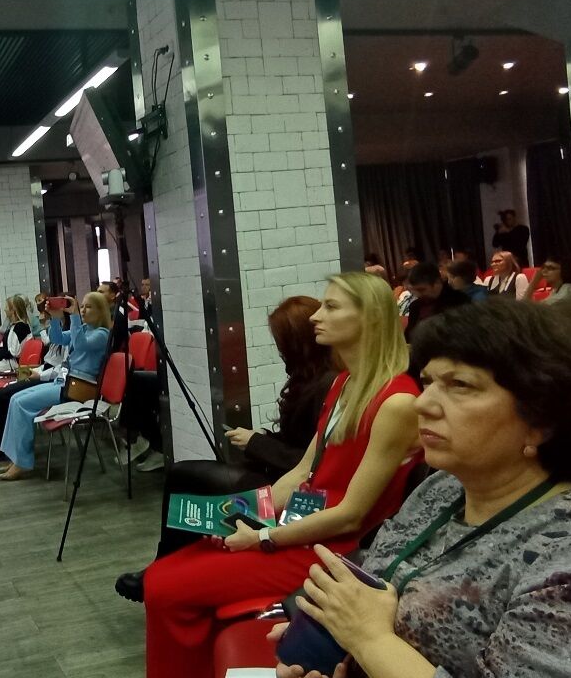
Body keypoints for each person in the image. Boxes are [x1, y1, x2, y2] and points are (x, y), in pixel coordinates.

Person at [266, 301, 571, 678]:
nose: (422, 403)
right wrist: (338, 638)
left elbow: (380, 632)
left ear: (542, 419)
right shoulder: (444, 489)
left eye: (459, 386)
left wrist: (369, 640)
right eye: (428, 382)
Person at [140, 272, 421, 678]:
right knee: (164, 573)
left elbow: (351, 515)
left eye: (331, 307)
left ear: (371, 319)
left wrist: (263, 537)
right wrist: (240, 512)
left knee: (165, 587)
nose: (316, 316)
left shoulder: (396, 402)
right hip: (304, 528)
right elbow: (304, 471)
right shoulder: (345, 383)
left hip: (334, 550)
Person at [116, 296, 337, 601]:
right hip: (279, 473)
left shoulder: (328, 385)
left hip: (295, 489)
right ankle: (165, 566)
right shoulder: (310, 379)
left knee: (185, 478)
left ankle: (163, 568)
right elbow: (298, 443)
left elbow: (311, 461)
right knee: (185, 477)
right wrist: (258, 440)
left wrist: (256, 443)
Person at [0, 292, 112, 481]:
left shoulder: (102, 334)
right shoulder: (83, 328)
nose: (83, 310)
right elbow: (57, 339)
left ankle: (22, 462)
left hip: (79, 389)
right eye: (82, 306)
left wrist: (74, 316)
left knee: (21, 404)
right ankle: (15, 457)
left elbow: (80, 345)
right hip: (66, 382)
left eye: (88, 307)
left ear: (100, 311)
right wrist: (55, 319)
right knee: (15, 399)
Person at [0, 296, 69, 464]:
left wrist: (39, 374)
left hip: (48, 376)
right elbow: (48, 355)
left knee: (4, 395)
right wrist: (34, 371)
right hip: (40, 369)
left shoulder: (69, 334)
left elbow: (61, 367)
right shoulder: (58, 329)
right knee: (3, 394)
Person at [402, 261, 471, 338]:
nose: (418, 295)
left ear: (437, 283)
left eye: (422, 290)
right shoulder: (415, 306)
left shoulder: (459, 301)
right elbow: (409, 336)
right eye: (414, 290)